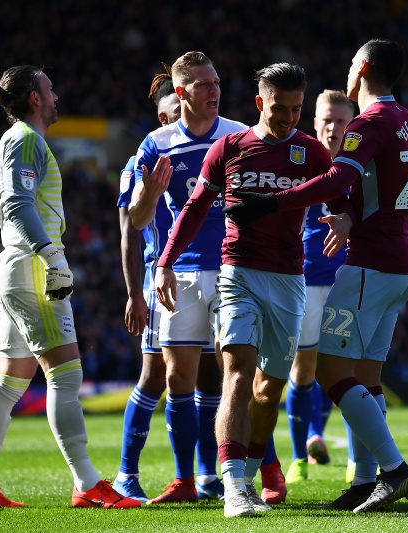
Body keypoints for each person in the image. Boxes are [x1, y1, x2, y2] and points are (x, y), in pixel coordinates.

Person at [223, 38, 408, 513]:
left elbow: (336, 182)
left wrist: (271, 202)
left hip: (370, 263)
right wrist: (352, 215)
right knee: (367, 377)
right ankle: (366, 480)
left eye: (352, 61)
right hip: (403, 260)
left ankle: (394, 471)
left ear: (364, 67)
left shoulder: (369, 121)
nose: (348, 68)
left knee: (331, 372)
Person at [154, 62, 333, 518]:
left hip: (291, 280)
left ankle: (249, 477)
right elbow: (193, 209)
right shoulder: (230, 147)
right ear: (260, 103)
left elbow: (342, 197)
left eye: (297, 109)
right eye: (280, 108)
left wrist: (347, 217)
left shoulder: (312, 153)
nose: (289, 117)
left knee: (268, 390)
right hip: (238, 273)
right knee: (237, 373)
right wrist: (164, 261)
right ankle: (233, 487)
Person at [0, 65, 140, 509]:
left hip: (15, 269)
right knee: (66, 375)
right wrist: (52, 256)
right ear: (35, 98)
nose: (56, 95)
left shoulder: (19, 140)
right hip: (33, 268)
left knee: (8, 383)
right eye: (50, 88)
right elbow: (17, 205)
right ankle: (87, 483)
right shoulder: (25, 140)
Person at [127, 52, 274, 505]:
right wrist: (148, 196)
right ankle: (184, 480)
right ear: (183, 91)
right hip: (181, 272)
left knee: (230, 376)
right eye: (205, 84)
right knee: (178, 378)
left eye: (216, 83)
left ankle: (219, 476)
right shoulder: (156, 143)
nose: (215, 91)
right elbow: (135, 219)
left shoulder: (238, 135)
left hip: (233, 268)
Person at [112, 69, 180, 503]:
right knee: (156, 374)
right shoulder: (140, 163)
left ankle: (205, 476)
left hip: (212, 275)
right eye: (176, 112)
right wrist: (134, 293)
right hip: (162, 280)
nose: (184, 119)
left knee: (217, 376)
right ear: (161, 117)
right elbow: (129, 232)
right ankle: (126, 474)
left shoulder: (216, 147)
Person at [285, 89, 353, 485]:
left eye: (341, 120)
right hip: (307, 279)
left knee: (350, 369)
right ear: (315, 122)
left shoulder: (361, 163)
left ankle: (355, 461)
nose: (333, 127)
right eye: (326, 119)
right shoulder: (300, 157)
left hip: (348, 278)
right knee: (304, 367)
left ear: (351, 123)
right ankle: (298, 458)